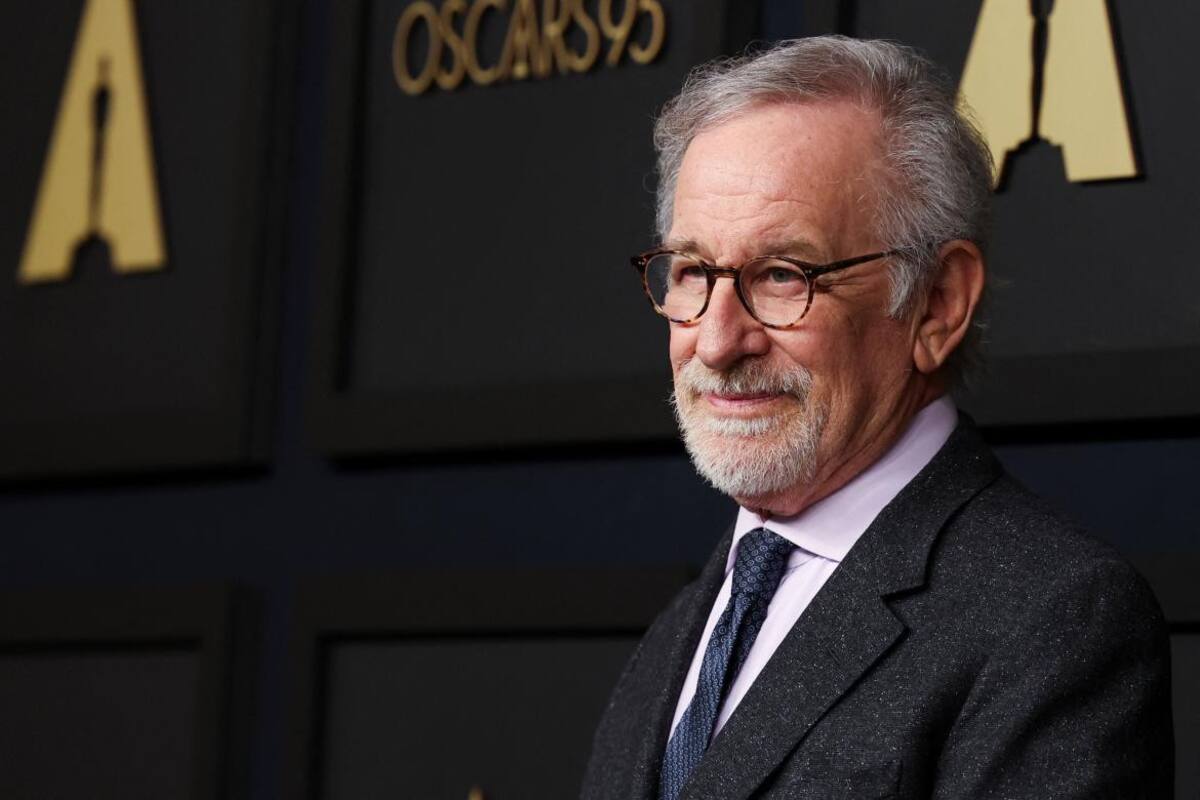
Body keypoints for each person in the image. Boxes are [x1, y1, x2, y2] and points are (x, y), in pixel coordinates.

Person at [581, 36, 1173, 800]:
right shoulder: (683, 630)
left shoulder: (1056, 622)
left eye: (783, 275)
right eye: (694, 272)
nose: (718, 340)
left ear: (936, 303)